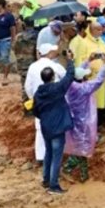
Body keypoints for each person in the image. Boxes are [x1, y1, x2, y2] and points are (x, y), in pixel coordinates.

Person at [32, 58, 75, 195]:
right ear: (52, 77)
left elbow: (35, 111)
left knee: (48, 153)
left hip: (46, 127)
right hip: (57, 128)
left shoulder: (38, 93)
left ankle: (46, 179)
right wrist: (70, 61)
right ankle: (53, 185)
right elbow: (69, 76)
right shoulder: (57, 89)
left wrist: (45, 119)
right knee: (57, 156)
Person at [63, 61, 105, 183]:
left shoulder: (70, 85)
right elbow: (98, 80)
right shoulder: (83, 88)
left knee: (81, 147)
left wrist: (87, 61)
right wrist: (104, 65)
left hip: (73, 121)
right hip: (83, 123)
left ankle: (84, 175)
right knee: (81, 148)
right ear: (82, 78)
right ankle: (67, 168)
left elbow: (76, 73)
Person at [25, 44, 67, 162]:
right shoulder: (55, 66)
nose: (56, 53)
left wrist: (33, 98)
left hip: (39, 102)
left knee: (40, 128)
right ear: (49, 53)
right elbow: (65, 80)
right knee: (57, 128)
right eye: (54, 51)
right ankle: (56, 155)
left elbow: (28, 86)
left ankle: (41, 156)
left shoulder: (32, 66)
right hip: (54, 102)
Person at [15, 18, 39, 105]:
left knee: (25, 86)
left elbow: (15, 50)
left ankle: (27, 106)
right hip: (33, 63)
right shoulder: (37, 36)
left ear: (24, 25)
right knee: (35, 84)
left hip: (22, 64)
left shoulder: (18, 37)